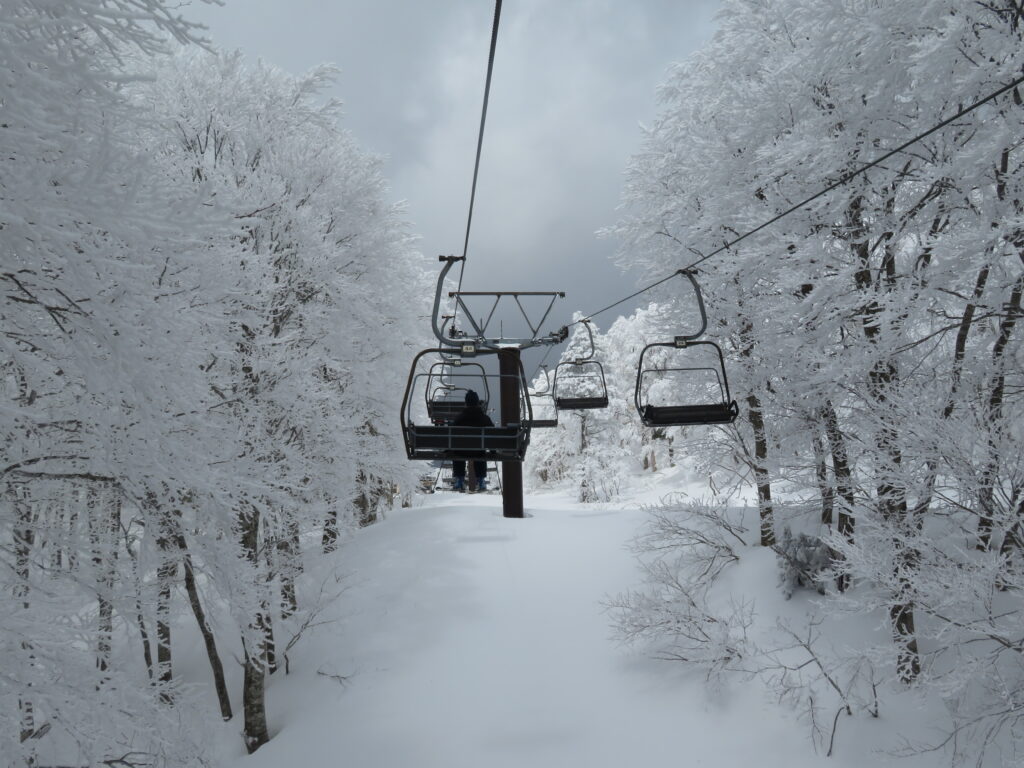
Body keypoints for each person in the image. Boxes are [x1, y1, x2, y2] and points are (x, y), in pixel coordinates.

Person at [452, 389, 493, 491]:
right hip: (478, 452)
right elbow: (492, 435)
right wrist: (493, 451)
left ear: (466, 403)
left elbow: (451, 436)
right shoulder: (485, 419)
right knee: (480, 450)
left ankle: (460, 479)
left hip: (461, 453)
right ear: (477, 402)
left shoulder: (458, 418)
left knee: (457, 451)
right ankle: (481, 480)